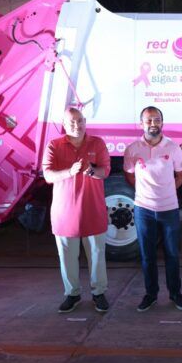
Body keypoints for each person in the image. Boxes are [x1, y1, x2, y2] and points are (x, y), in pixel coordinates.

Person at [42, 107, 111, 313]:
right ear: (64, 125)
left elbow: (105, 170)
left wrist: (92, 170)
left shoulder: (97, 143)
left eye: (80, 121)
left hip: (93, 209)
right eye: (72, 122)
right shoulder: (54, 145)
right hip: (65, 213)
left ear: (85, 121)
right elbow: (48, 175)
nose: (77, 126)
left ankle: (99, 292)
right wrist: (69, 172)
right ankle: (72, 294)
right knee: (67, 257)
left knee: (97, 254)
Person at [124, 106, 182, 312]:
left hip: (169, 209)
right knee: (147, 255)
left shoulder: (172, 148)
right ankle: (150, 294)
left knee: (172, 254)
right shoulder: (133, 149)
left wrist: (167, 190)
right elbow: (129, 175)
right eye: (149, 120)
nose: (154, 124)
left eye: (157, 120)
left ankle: (175, 293)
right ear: (141, 123)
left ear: (162, 122)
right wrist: (145, 192)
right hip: (143, 209)